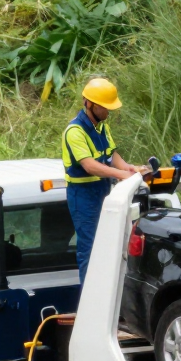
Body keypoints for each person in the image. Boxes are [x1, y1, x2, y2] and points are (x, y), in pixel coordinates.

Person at [62, 78, 140, 282]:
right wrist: (121, 175)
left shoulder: (102, 127)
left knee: (109, 245)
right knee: (90, 249)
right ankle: (90, 306)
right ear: (90, 104)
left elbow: (111, 154)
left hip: (103, 190)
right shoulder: (74, 131)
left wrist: (129, 168)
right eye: (105, 107)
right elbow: (90, 165)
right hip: (83, 196)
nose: (109, 112)